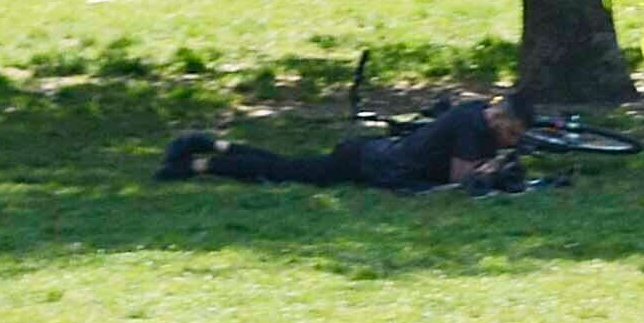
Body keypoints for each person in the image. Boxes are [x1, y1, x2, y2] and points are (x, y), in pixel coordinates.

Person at [157, 91, 538, 192]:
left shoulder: (475, 112)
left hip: (374, 155)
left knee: (289, 166)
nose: (509, 142)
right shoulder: (473, 130)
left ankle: (213, 146)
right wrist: (489, 172)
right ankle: (198, 161)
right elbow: (459, 181)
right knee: (285, 172)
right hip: (373, 163)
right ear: (500, 117)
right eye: (511, 133)